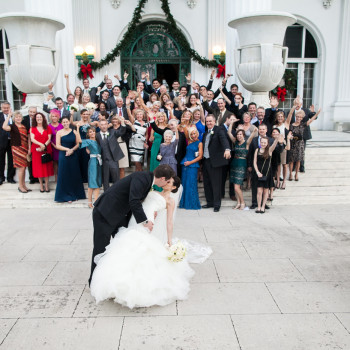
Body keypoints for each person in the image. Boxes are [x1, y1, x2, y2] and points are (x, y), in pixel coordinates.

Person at [88, 164, 176, 284]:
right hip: (105, 212)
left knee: (123, 244)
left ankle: (117, 278)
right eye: (166, 182)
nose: (165, 185)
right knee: (101, 247)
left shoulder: (148, 180)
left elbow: (138, 201)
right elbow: (133, 200)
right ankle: (94, 281)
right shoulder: (142, 178)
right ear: (161, 179)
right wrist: (145, 221)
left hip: (119, 215)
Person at [201, 114, 231, 212]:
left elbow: (224, 140)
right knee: (207, 183)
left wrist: (227, 149)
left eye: (210, 121)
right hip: (205, 161)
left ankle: (217, 204)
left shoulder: (219, 130)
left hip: (215, 162)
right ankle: (209, 202)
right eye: (207, 121)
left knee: (216, 184)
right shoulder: (205, 134)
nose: (209, 123)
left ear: (214, 121)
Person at [54, 116, 86, 203]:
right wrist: (67, 149)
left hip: (73, 155)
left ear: (69, 122)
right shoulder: (59, 132)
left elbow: (78, 144)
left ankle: (75, 194)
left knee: (73, 174)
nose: (65, 123)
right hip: (63, 155)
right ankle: (65, 196)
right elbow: (58, 145)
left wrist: (72, 150)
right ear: (61, 123)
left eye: (67, 122)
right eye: (63, 122)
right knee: (64, 175)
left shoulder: (74, 131)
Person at [286, 103, 321, 181]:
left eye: (300, 117)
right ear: (296, 117)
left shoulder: (303, 125)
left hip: (300, 145)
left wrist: (317, 113)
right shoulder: (291, 125)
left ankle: (296, 174)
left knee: (298, 160)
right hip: (292, 144)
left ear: (302, 118)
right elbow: (289, 117)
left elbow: (311, 119)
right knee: (291, 160)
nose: (298, 118)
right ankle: (291, 174)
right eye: (297, 117)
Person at [227, 127, 258, 210]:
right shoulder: (236, 142)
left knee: (237, 187)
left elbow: (251, 136)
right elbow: (229, 133)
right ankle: (238, 203)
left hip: (241, 165)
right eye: (238, 134)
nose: (239, 136)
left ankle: (243, 203)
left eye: (241, 134)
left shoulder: (246, 143)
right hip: (234, 164)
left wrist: (254, 131)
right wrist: (232, 123)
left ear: (243, 135)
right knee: (236, 187)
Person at [2, 110, 31, 193]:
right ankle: (20, 186)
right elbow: (4, 127)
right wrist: (8, 116)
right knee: (21, 168)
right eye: (17, 117)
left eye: (20, 117)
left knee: (24, 167)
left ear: (22, 118)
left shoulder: (24, 126)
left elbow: (28, 138)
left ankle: (24, 185)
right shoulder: (12, 126)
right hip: (17, 149)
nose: (18, 118)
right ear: (14, 118)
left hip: (24, 148)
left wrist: (29, 148)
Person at [97, 118, 126, 191]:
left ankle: (116, 194)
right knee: (105, 180)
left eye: (105, 124)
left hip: (113, 159)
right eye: (102, 125)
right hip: (103, 161)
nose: (104, 126)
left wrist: (122, 122)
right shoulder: (97, 135)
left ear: (107, 125)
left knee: (116, 178)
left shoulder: (112, 132)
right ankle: (106, 195)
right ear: (99, 126)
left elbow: (121, 132)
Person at [253, 136, 280, 213]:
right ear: (260, 142)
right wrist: (257, 172)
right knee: (259, 191)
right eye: (262, 142)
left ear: (267, 143)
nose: (263, 144)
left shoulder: (269, 150)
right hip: (259, 174)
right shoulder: (257, 150)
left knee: (265, 191)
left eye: (265, 142)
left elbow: (274, 145)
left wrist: (277, 139)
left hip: (267, 174)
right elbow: (254, 162)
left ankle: (263, 206)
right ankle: (258, 206)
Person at [77, 126, 102, 208]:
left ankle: (96, 202)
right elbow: (80, 141)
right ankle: (89, 201)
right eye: (90, 132)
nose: (92, 133)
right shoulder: (88, 141)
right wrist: (77, 129)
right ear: (88, 134)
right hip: (93, 161)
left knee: (98, 181)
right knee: (92, 181)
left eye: (93, 131)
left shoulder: (98, 141)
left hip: (99, 162)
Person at [30, 112, 54, 192]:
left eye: (40, 117)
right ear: (35, 119)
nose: (39, 118)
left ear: (43, 118)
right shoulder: (32, 128)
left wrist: (44, 146)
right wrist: (40, 145)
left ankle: (47, 185)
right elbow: (32, 139)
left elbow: (49, 139)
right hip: (36, 151)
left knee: (46, 168)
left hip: (46, 150)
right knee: (39, 168)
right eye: (37, 117)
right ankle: (41, 185)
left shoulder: (47, 127)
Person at [180, 127, 203, 210]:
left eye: (194, 133)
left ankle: (191, 204)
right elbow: (184, 129)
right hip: (184, 165)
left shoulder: (199, 143)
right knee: (185, 183)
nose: (193, 135)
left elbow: (200, 156)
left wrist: (190, 162)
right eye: (192, 134)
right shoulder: (189, 141)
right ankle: (184, 203)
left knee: (191, 183)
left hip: (192, 165)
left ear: (197, 133)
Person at [0, 101, 16, 185]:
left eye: (7, 108)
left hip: (12, 141)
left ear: (10, 108)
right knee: (1, 160)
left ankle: (10, 177)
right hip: (1, 141)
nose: (6, 109)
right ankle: (1, 177)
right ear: (1, 108)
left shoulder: (14, 116)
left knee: (11, 160)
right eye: (4, 108)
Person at [22, 106, 38, 184]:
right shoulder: (23, 119)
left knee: (37, 161)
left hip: (37, 142)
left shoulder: (38, 119)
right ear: (28, 112)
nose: (32, 114)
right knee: (30, 160)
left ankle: (38, 177)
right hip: (27, 141)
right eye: (30, 112)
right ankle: (32, 178)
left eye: (33, 112)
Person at [48, 109, 63, 182]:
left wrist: (60, 146)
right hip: (53, 147)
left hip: (61, 146)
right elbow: (48, 138)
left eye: (55, 116)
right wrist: (54, 145)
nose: (54, 118)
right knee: (55, 163)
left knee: (61, 162)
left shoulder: (61, 126)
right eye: (53, 116)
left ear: (58, 117)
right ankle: (56, 178)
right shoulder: (49, 126)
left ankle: (61, 177)